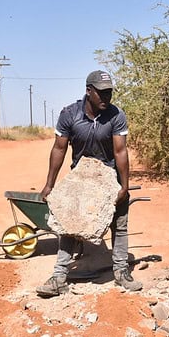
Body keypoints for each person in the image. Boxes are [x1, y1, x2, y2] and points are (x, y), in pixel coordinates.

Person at [37, 70, 141, 297]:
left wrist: (123, 187)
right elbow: (59, 148)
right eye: (102, 93)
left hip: (108, 176)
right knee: (69, 225)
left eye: (110, 93)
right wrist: (49, 184)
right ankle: (59, 277)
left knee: (120, 223)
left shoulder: (116, 115)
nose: (106, 98)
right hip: (81, 178)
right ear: (88, 91)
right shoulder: (69, 114)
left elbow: (120, 151)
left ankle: (121, 272)